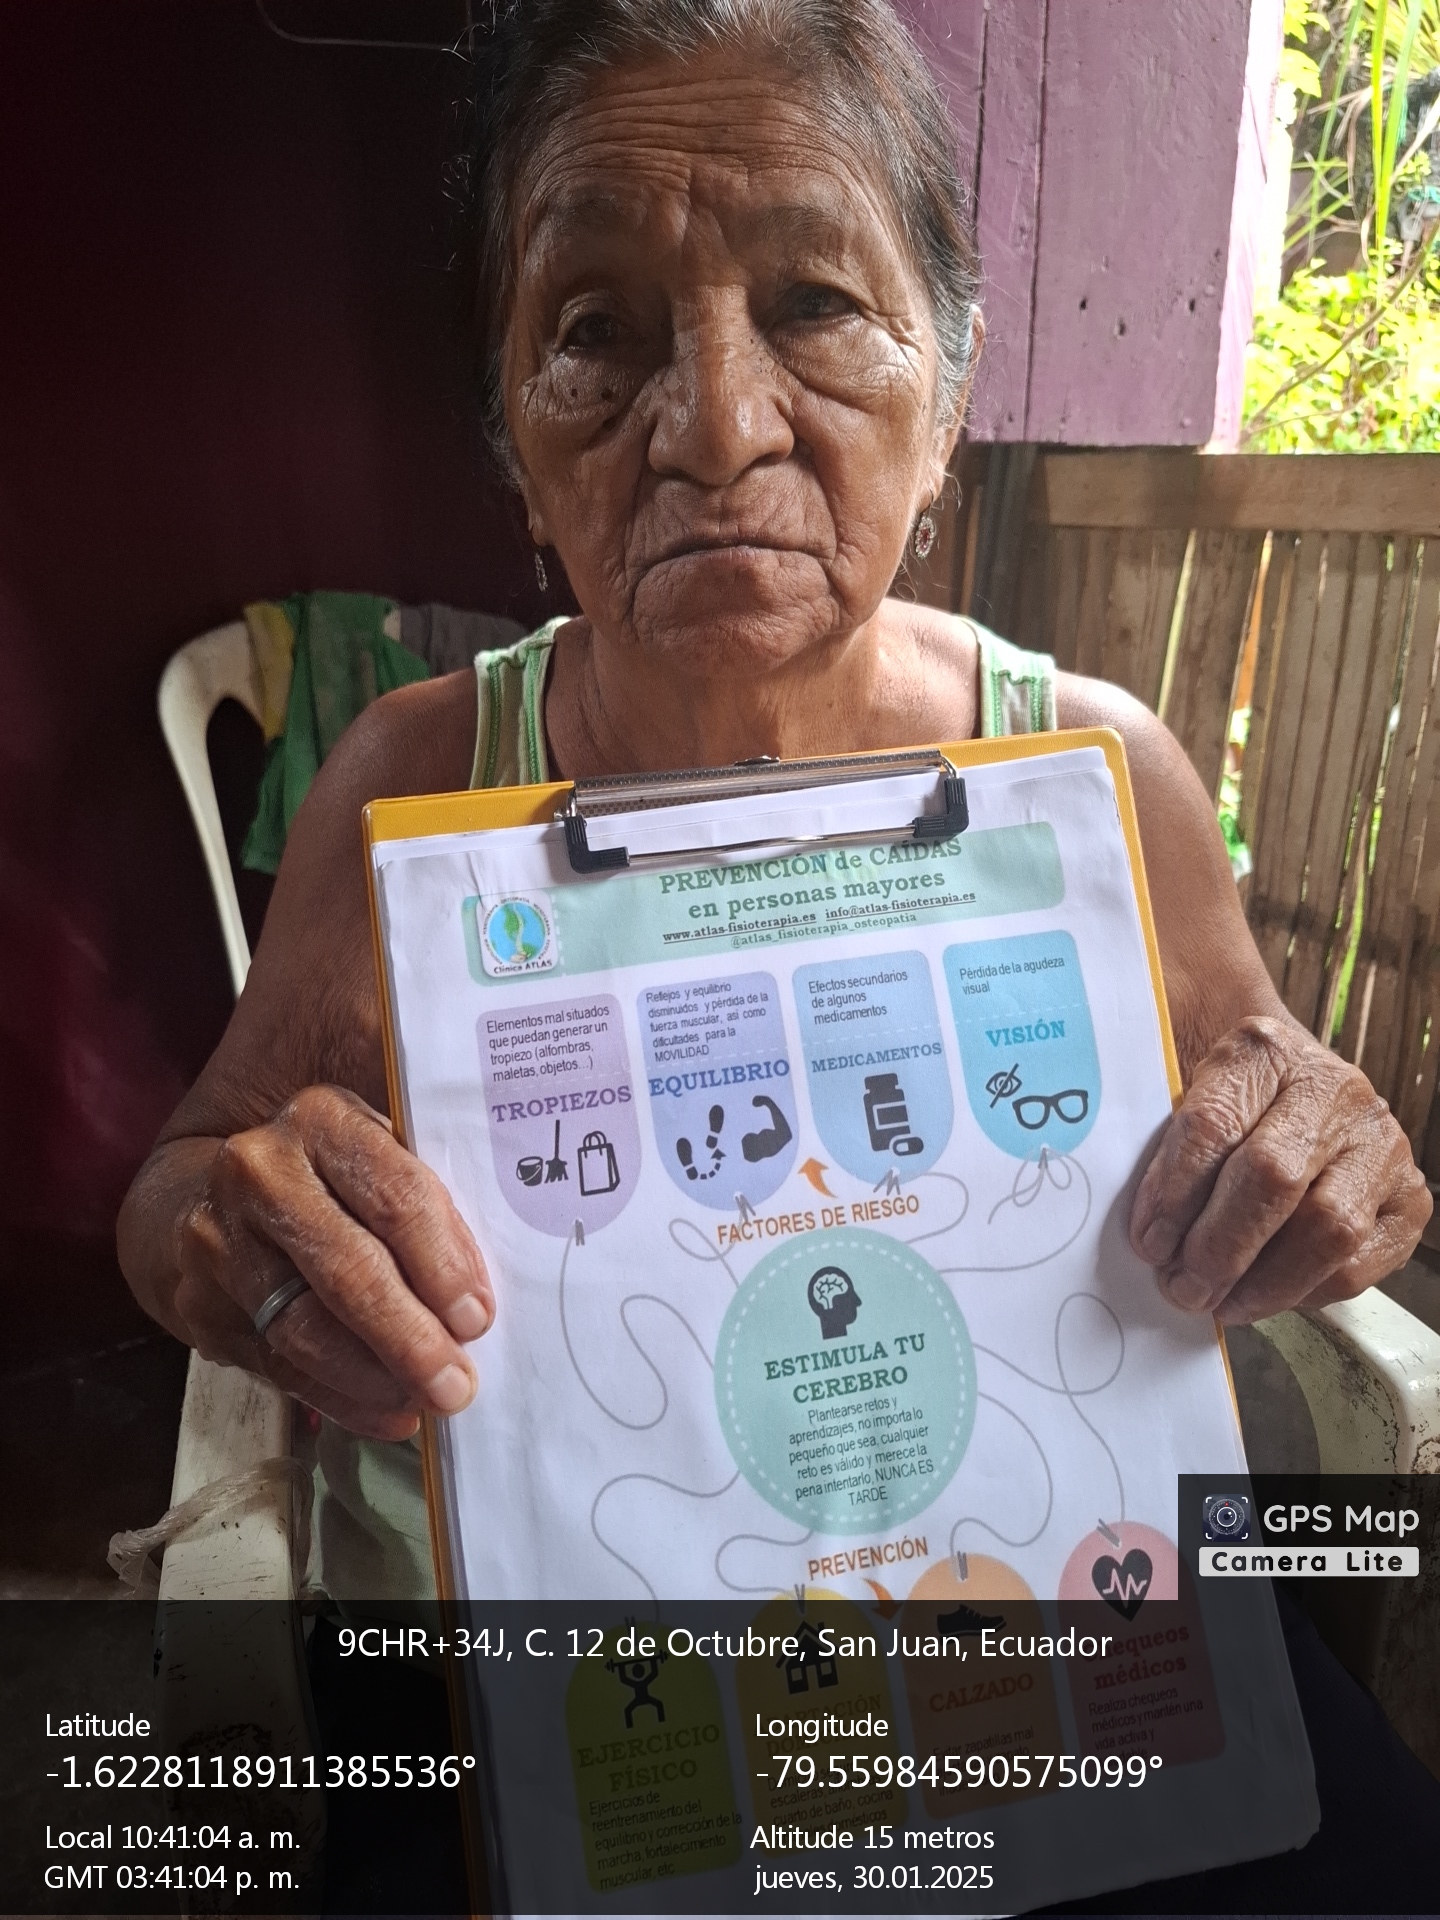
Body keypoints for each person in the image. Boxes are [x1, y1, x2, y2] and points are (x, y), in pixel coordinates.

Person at [118, 0, 1428, 1602]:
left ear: (947, 401)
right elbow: (185, 1185)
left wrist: (1326, 1163)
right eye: (596, 329)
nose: (719, 429)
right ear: (515, 445)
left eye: (815, 303)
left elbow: (1293, 1131)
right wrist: (236, 1235)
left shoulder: (1098, 781)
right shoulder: (414, 784)